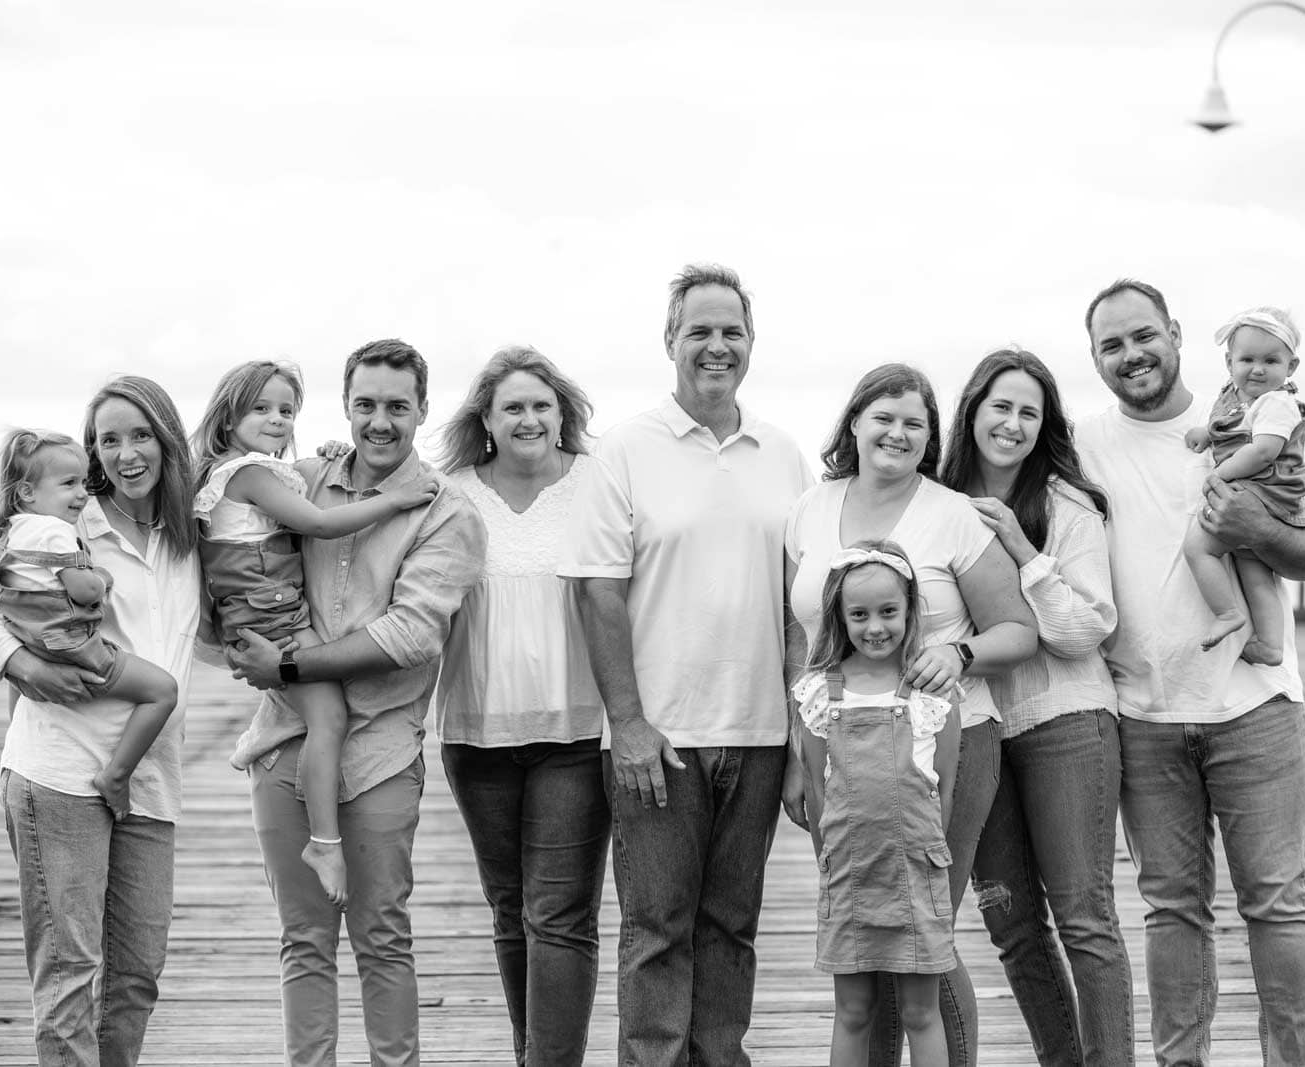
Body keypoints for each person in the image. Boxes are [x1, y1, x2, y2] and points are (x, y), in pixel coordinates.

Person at [559, 263, 813, 1065]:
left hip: (762, 734)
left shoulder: (782, 454)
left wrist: (802, 732)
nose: (716, 345)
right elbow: (597, 597)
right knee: (657, 931)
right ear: (669, 340)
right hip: (657, 741)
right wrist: (628, 724)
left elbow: (798, 603)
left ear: (751, 342)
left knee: (731, 928)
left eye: (730, 330)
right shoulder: (625, 452)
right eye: (698, 330)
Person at [1079, 278, 1305, 1066]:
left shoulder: (1242, 417)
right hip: (1144, 716)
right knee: (1170, 912)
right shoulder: (1086, 442)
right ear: (1095, 357)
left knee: (1278, 907)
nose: (1132, 355)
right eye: (1112, 344)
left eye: (1143, 335)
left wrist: (1258, 523)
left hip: (1255, 706)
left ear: (1177, 333)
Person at [226, 339, 486, 1067]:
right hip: (284, 739)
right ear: (345, 406)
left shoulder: (446, 511)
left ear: (422, 410)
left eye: (396, 406)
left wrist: (285, 661)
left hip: (379, 751)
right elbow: (233, 551)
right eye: (365, 404)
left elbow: (409, 633)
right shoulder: (301, 480)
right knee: (303, 941)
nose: (379, 421)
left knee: (381, 937)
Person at [782, 362, 1038, 1067]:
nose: (897, 432)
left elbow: (1019, 627)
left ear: (931, 438)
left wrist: (958, 653)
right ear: (855, 423)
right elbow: (795, 637)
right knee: (864, 942)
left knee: (924, 939)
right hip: (835, 753)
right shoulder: (809, 508)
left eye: (915, 422)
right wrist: (794, 761)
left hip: (940, 748)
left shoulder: (951, 513)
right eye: (883, 416)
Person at [0, 376, 203, 1065]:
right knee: (71, 976)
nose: (126, 453)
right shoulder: (69, 520)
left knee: (136, 973)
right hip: (58, 773)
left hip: (149, 779)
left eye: (140, 435)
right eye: (108, 439)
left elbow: (261, 492)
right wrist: (25, 667)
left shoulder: (191, 533)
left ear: (167, 440)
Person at [941, 349, 1134, 1066]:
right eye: (1001, 406)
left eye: (1029, 411)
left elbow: (1084, 629)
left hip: (1068, 724)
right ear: (973, 412)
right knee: (1011, 921)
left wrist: (1020, 545)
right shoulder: (937, 501)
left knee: (1085, 918)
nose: (1013, 423)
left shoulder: (1067, 506)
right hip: (979, 730)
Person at [191, 359, 437, 907]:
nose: (277, 419)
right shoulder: (249, 474)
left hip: (272, 613)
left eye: (286, 409)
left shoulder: (257, 471)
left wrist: (328, 456)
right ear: (228, 419)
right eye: (261, 408)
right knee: (329, 717)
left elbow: (304, 484)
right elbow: (321, 524)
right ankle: (324, 843)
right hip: (271, 619)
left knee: (324, 716)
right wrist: (394, 500)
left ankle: (311, 824)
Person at [431, 345, 609, 1066]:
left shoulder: (601, 483)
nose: (530, 417)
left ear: (563, 412)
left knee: (559, 915)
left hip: (578, 730)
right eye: (514, 406)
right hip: (475, 735)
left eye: (542, 404)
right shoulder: (448, 491)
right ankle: (532, 1050)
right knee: (512, 911)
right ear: (487, 419)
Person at [792, 541, 961, 1067]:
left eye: (888, 611)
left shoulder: (934, 695)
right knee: (854, 1010)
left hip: (915, 873)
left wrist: (929, 861)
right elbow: (819, 789)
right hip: (849, 874)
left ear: (910, 609)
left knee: (920, 1012)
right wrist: (830, 863)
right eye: (859, 614)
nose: (875, 627)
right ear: (840, 618)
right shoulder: (821, 692)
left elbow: (945, 789)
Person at [0, 428, 181, 821]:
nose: (82, 493)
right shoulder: (56, 531)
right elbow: (85, 592)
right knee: (161, 692)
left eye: (83, 482)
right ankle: (116, 776)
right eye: (69, 483)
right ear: (27, 493)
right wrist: (101, 577)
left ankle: (24, 745)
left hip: (38, 641)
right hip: (73, 646)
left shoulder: (12, 532)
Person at [1181, 307, 1305, 665]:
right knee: (1254, 571)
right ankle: (1270, 645)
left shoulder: (1277, 403)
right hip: (1259, 492)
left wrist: (1220, 474)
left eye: (1271, 360)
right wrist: (1207, 434)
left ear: (1291, 367)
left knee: (1198, 549)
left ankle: (1227, 613)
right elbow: (1233, 427)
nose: (1257, 368)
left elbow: (1262, 451)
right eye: (1247, 359)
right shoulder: (1236, 397)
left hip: (1262, 488)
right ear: (1229, 362)